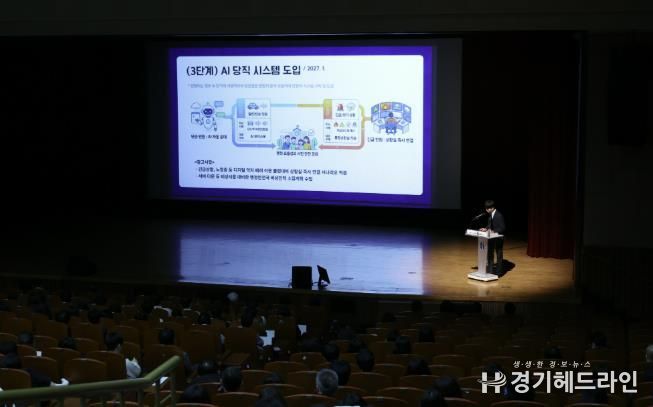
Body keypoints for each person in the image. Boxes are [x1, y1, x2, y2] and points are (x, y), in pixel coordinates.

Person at [480, 200, 506, 276]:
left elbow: (502, 228)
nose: (486, 210)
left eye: (488, 208)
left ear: (492, 208)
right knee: (490, 254)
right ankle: (490, 271)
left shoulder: (499, 215)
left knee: (499, 255)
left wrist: (493, 231)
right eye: (486, 208)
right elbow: (489, 225)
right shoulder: (490, 214)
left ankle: (499, 272)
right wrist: (485, 229)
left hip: (499, 238)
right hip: (491, 237)